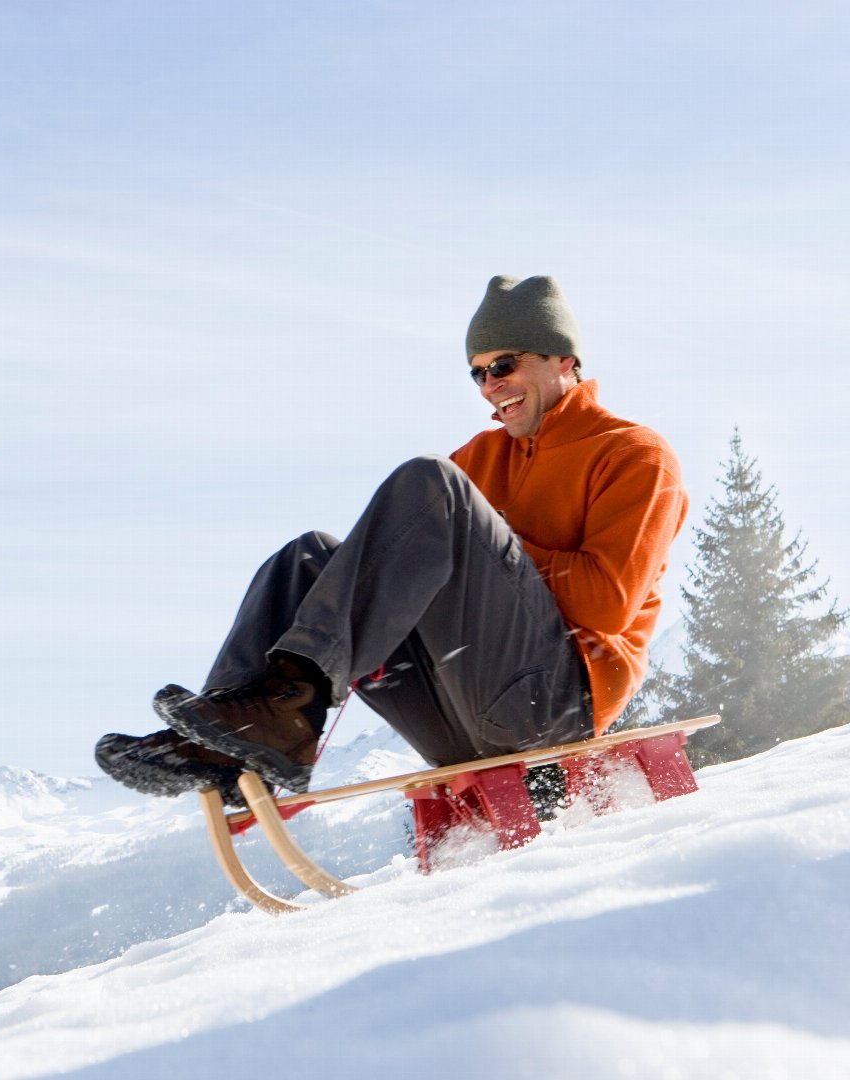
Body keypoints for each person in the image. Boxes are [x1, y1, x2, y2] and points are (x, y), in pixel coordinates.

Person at [96, 275, 688, 811]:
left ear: (565, 358)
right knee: (309, 558)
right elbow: (383, 577)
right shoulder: (479, 461)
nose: (490, 386)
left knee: (430, 484)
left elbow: (605, 604)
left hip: (550, 707)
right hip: (450, 710)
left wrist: (485, 543)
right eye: (477, 373)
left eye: (504, 364)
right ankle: (238, 733)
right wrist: (462, 546)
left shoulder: (633, 455)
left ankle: (275, 714)